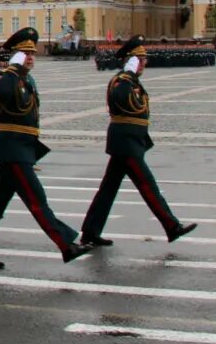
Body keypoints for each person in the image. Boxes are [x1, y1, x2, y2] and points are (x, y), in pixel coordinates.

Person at [0, 28, 90, 269]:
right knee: (37, 200)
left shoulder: (25, 79)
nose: (31, 57)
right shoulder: (5, 77)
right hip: (13, 150)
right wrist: (14, 68)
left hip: (21, 149)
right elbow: (3, 93)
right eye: (25, 53)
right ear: (15, 55)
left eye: (33, 53)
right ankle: (66, 244)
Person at [79, 35, 198, 247]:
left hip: (130, 141)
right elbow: (121, 99)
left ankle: (90, 231)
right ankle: (171, 226)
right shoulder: (121, 81)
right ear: (131, 60)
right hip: (126, 144)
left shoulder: (131, 81)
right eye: (140, 59)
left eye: (144, 59)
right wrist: (128, 72)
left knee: (108, 189)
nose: (145, 63)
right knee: (147, 185)